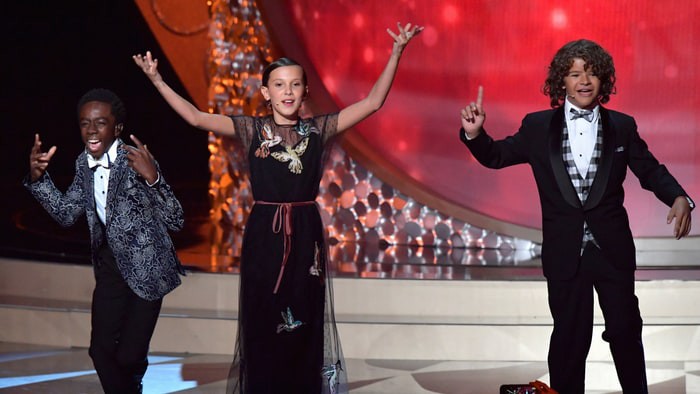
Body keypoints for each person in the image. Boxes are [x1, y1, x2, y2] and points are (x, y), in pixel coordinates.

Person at [134, 22, 422, 393]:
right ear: (266, 92)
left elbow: (372, 103)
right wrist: (157, 80)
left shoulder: (319, 130)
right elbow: (195, 117)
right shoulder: (251, 130)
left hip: (305, 234)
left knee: (304, 316)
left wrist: (396, 52)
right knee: (264, 315)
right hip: (264, 232)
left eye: (295, 84)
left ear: (305, 92)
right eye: (279, 84)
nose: (287, 91)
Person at [459, 39, 693, 393]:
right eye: (574, 73)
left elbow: (649, 169)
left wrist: (678, 196)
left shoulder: (622, 126)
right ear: (561, 82)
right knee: (569, 337)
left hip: (611, 249)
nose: (584, 81)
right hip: (564, 252)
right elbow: (497, 156)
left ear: (605, 80)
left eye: (593, 73)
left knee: (626, 330)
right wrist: (475, 134)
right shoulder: (537, 127)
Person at [24, 88, 185, 394]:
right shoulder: (82, 164)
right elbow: (66, 213)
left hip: (147, 269)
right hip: (110, 267)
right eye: (85, 123)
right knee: (100, 351)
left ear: (117, 128)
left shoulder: (136, 161)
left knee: (128, 357)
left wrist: (153, 178)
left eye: (100, 123)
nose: (92, 131)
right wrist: (37, 179)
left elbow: (176, 218)